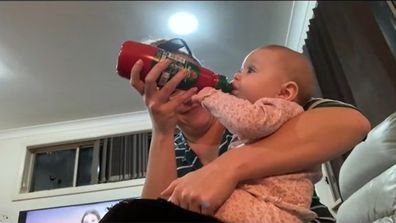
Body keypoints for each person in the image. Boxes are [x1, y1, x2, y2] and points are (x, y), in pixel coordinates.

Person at [100, 38, 370, 222]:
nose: (183, 90)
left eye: (187, 76)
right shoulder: (172, 153)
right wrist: (162, 132)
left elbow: (353, 123)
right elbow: (153, 216)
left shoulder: (260, 109)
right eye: (167, 85)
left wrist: (228, 168)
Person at [189, 44, 321, 222]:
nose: (237, 75)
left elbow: (248, 121)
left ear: (284, 92)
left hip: (276, 208)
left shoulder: (281, 108)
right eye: (240, 70)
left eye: (250, 70)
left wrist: (210, 96)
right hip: (262, 203)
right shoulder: (268, 116)